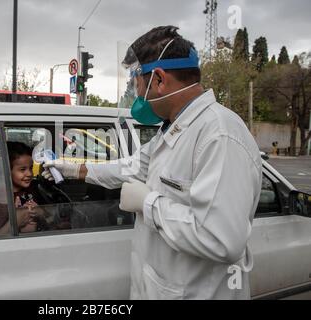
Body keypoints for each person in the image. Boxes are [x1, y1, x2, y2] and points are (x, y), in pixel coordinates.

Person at [43, 26, 263, 300]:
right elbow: (127, 168)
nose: (136, 94)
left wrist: (149, 204)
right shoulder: (172, 131)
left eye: (136, 82)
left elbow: (221, 239)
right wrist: (73, 168)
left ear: (159, 79)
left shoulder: (219, 135)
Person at [0, 141, 47, 234]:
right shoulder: (1, 200)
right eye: (22, 169)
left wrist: (39, 212)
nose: (29, 174)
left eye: (31, 168)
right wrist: (17, 221)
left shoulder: (31, 189)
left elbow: (46, 216)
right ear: (7, 170)